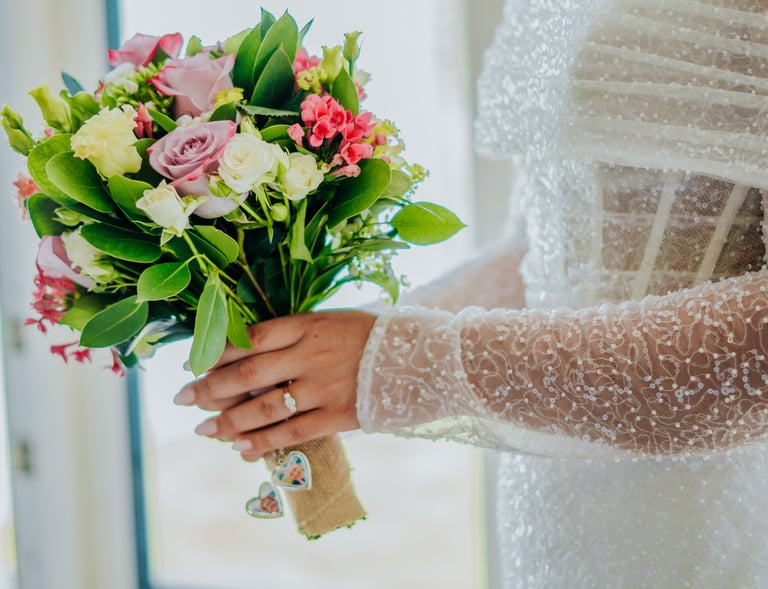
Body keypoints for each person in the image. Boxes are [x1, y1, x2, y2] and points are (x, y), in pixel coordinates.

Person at [173, 0, 768, 586]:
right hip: (552, 510)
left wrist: (404, 362)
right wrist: (338, 349)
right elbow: (542, 249)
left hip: (711, 515)